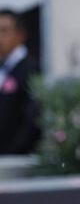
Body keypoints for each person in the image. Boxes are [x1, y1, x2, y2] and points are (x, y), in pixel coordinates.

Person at [0, 10, 40, 156]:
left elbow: (32, 119)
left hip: (18, 161)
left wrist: (12, 153)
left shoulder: (30, 69)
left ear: (20, 35)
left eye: (4, 31)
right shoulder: (4, 69)